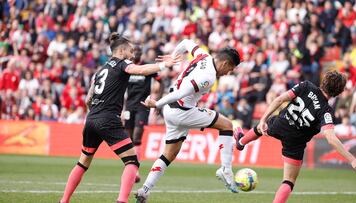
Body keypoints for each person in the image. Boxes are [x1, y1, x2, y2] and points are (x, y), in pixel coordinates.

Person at [59, 33, 180, 203]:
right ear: (122, 50)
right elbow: (140, 70)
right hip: (108, 119)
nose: (133, 54)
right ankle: (121, 201)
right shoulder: (122, 64)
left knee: (83, 162)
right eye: (130, 51)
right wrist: (163, 65)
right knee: (132, 162)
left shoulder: (101, 69)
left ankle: (64, 200)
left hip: (91, 118)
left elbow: (88, 99)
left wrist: (95, 113)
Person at [136, 39, 241, 202]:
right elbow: (182, 92)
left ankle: (145, 189)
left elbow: (185, 42)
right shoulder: (209, 77)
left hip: (170, 110)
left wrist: (173, 56)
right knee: (227, 125)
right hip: (181, 111)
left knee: (168, 154)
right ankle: (226, 169)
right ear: (225, 63)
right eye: (230, 69)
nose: (228, 73)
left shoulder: (203, 55)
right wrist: (156, 103)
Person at [234, 71, 356, 203]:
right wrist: (353, 161)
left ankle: (241, 142)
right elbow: (331, 138)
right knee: (288, 181)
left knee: (262, 127)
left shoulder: (306, 86)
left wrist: (263, 119)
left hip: (281, 124)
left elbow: (279, 99)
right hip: (295, 142)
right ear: (338, 92)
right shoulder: (326, 111)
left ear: (323, 81)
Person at [124, 45, 162, 183]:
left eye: (140, 52)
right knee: (128, 139)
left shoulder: (147, 68)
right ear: (132, 54)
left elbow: (160, 81)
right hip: (128, 106)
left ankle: (135, 169)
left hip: (142, 106)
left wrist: (158, 101)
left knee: (137, 136)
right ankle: (131, 167)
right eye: (135, 52)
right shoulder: (127, 68)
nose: (137, 54)